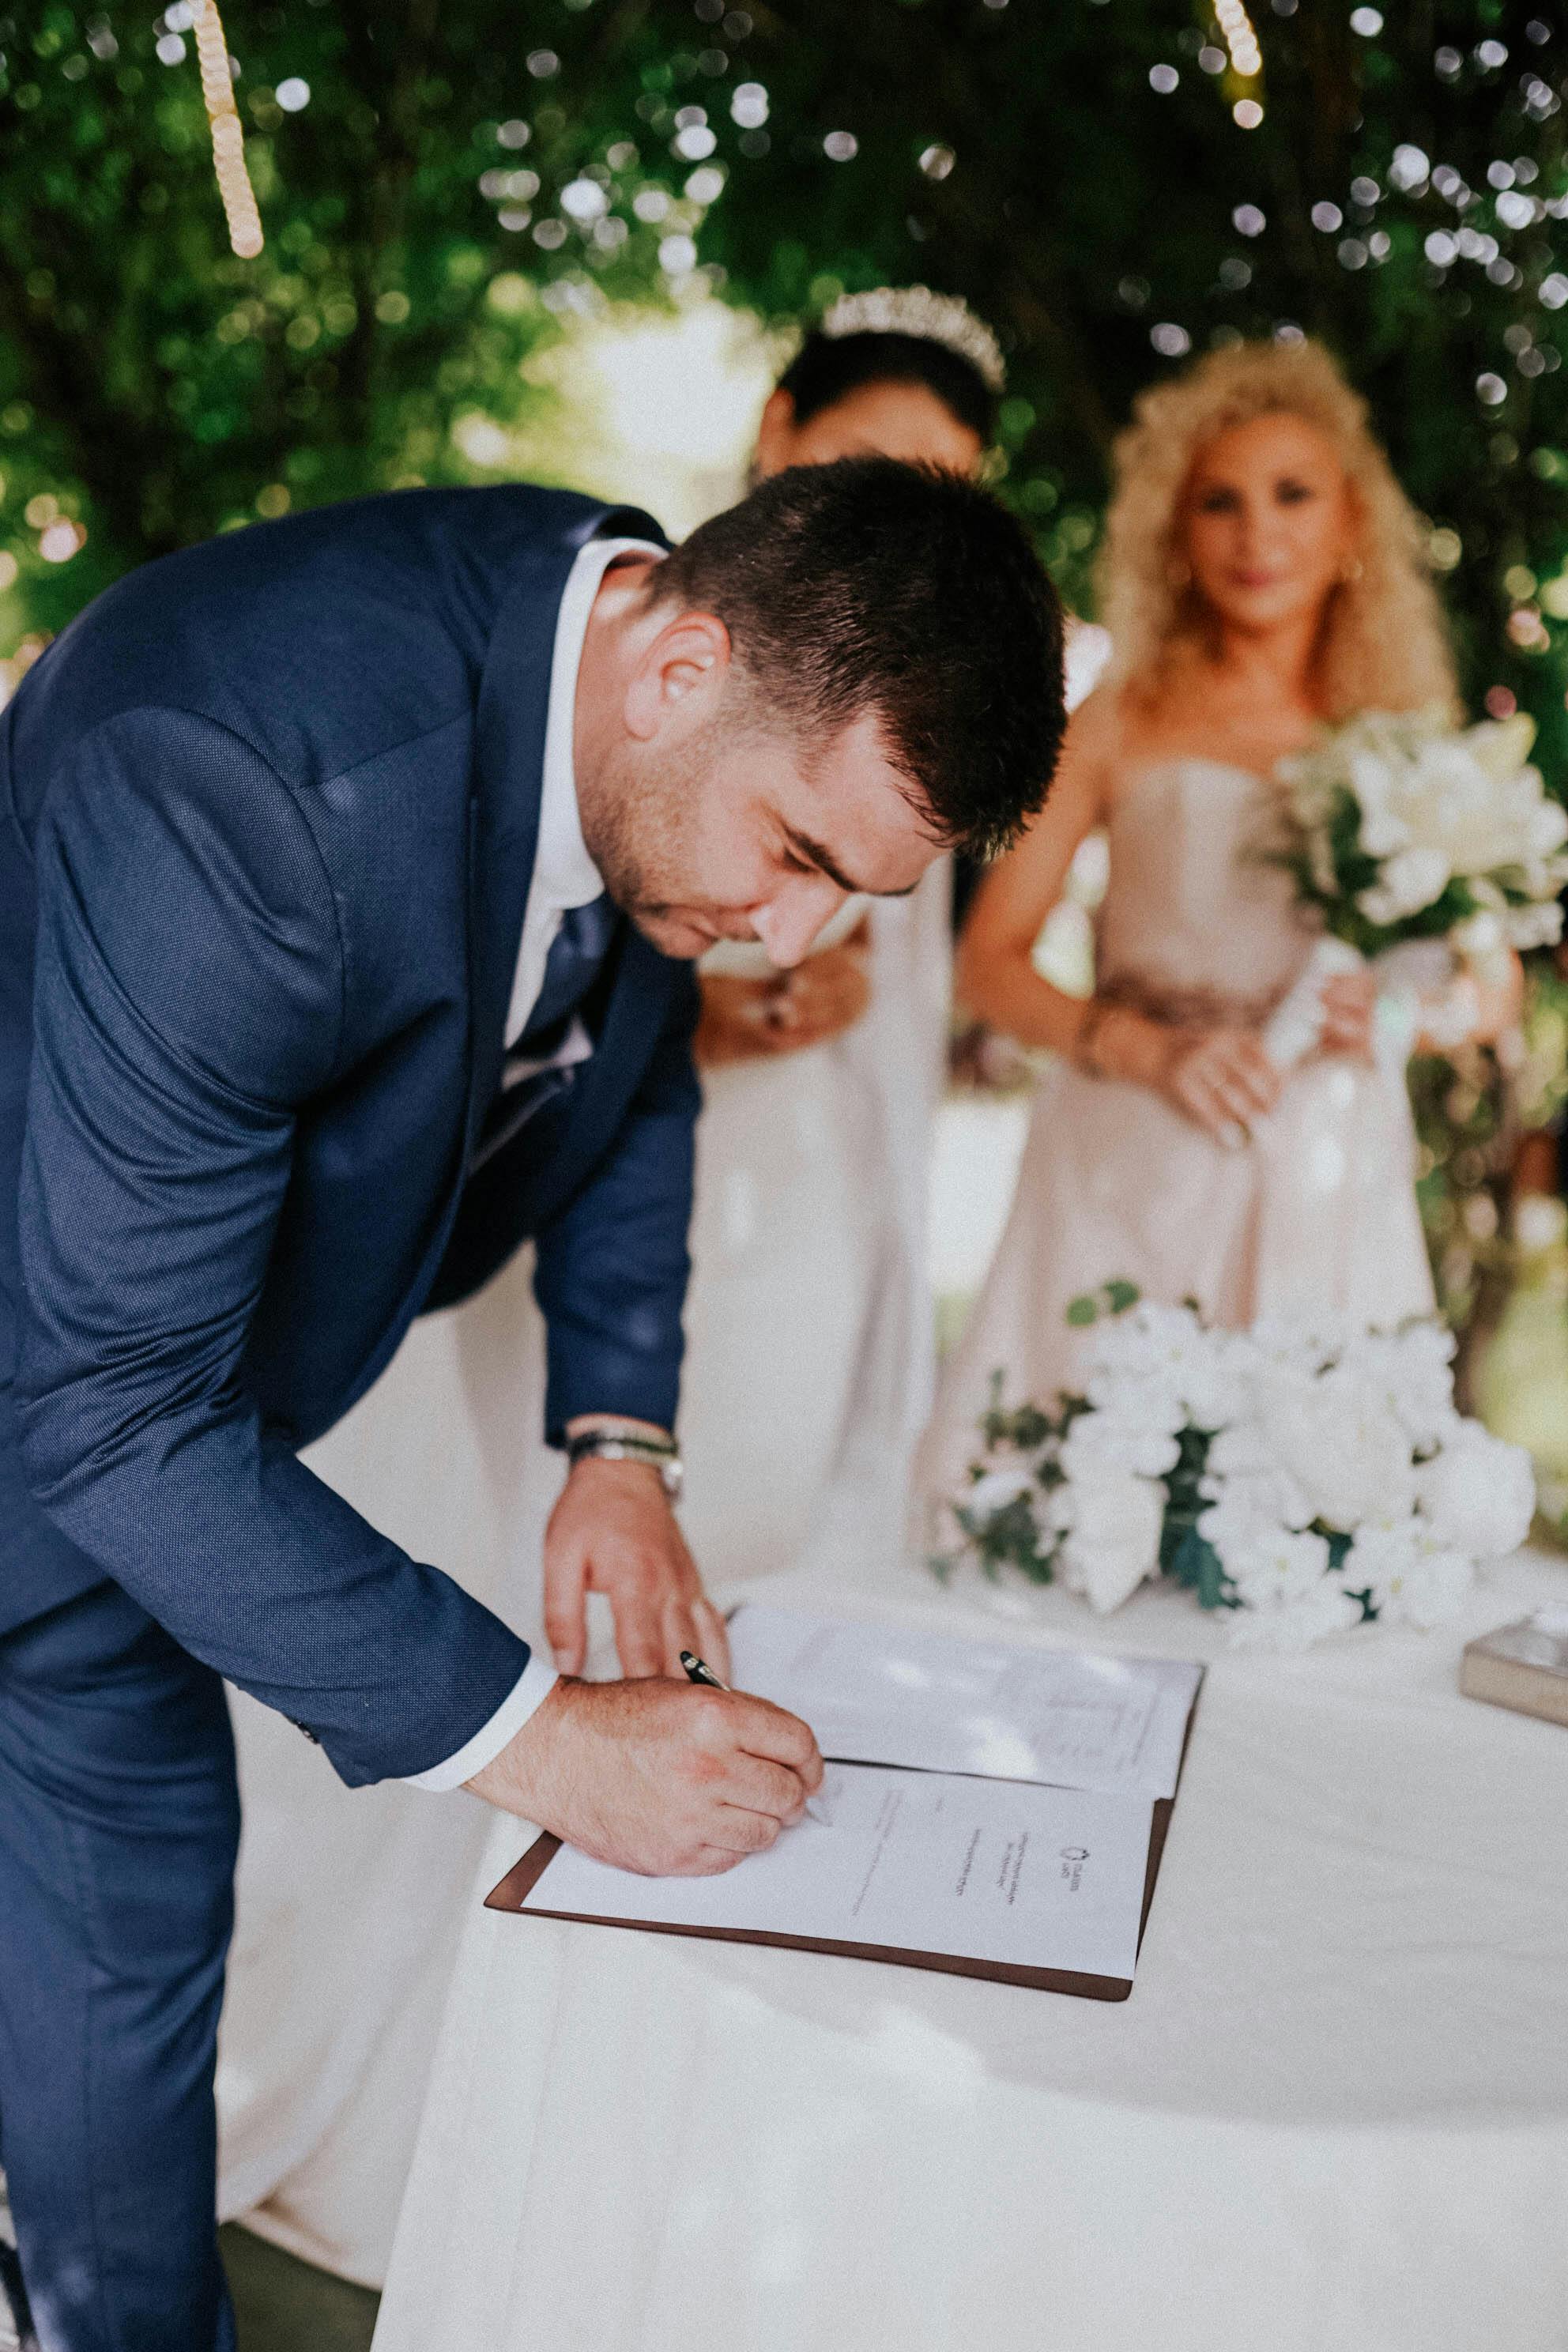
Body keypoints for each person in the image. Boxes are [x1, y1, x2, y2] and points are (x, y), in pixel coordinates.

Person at [0, 460, 1064, 2350]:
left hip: (127, 1485)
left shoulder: (629, 640)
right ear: (682, 671)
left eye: (859, 899)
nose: (791, 943)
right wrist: (545, 1740)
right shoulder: (245, 778)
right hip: (87, 1415)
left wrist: (616, 1446)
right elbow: (113, 1407)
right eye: (802, 860)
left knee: (124, 1989)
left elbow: (630, 1067)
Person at [918, 336, 1515, 1517]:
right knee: (1086, 1492)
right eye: (1220, 502)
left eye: (1293, 495)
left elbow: (1487, 991)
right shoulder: (1116, 716)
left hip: (1330, 1160)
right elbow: (987, 964)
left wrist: (1402, 1012)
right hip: (1129, 1145)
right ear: (1176, 536)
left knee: (1305, 1512)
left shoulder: (1408, 736)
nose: (1259, 533)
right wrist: (1149, 1050)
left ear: (1351, 522)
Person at [680, 288, 1004, 1583]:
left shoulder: (917, 694)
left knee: (765, 1509)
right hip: (614, 1131)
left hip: (811, 1156)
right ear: (778, 427)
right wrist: (692, 1015)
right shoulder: (655, 632)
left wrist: (849, 1000)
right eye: (860, 462)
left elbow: (904, 956)